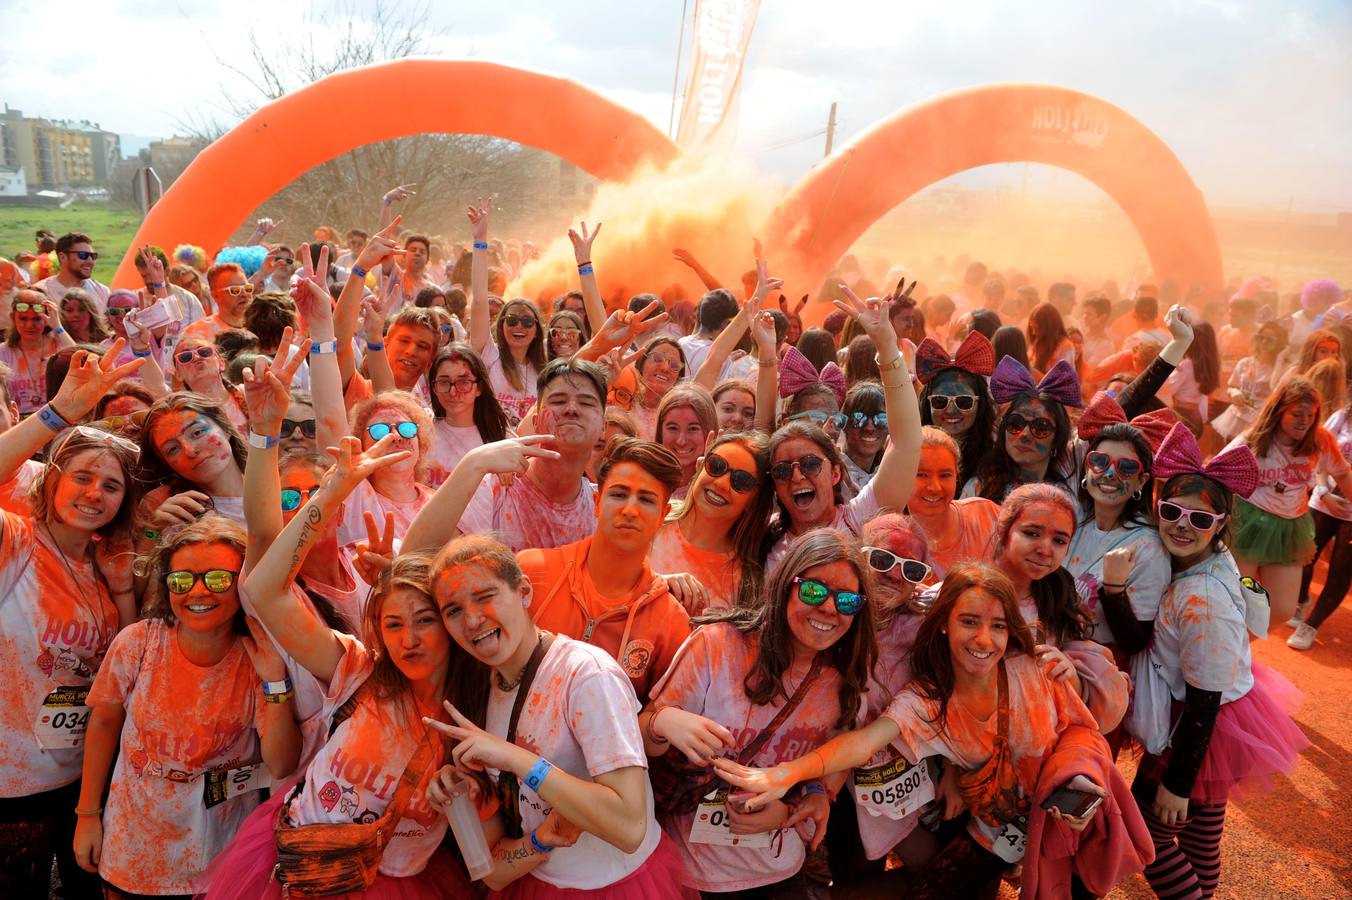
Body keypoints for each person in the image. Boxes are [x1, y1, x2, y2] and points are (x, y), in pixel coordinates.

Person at [713, 561, 1145, 900]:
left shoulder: (1034, 667)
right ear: (943, 623)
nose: (984, 639)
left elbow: (1083, 732)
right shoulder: (927, 702)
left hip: (1073, 816)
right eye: (969, 621)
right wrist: (786, 774)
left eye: (997, 626)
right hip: (999, 829)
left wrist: (1077, 777)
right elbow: (862, 742)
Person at [206, 443, 475, 898]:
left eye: (425, 620)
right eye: (393, 624)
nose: (408, 638)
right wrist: (330, 491)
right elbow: (265, 583)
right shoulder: (359, 670)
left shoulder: (478, 707)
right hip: (305, 857)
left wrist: (475, 464)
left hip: (397, 879)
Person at [422, 534, 688, 897]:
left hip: (620, 887)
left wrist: (515, 759)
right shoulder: (476, 690)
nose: (471, 620)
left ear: (524, 592)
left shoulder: (587, 675)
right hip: (539, 883)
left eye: (485, 597)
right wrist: (467, 789)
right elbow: (492, 874)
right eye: (453, 610)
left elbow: (629, 828)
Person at [74, 517, 301, 898]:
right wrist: (86, 816)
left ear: (244, 585)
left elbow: (281, 763)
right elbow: (103, 724)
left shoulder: (257, 658)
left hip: (217, 858)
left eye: (217, 579)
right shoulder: (137, 643)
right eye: (181, 580)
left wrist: (274, 680)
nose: (197, 592)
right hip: (133, 850)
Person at [642, 530, 877, 897]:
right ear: (786, 585)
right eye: (814, 591)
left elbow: (834, 759)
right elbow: (640, 744)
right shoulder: (716, 645)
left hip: (777, 866)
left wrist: (807, 799)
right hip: (686, 869)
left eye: (847, 601)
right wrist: (662, 722)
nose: (830, 608)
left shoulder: (843, 682)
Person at [1133, 423, 1308, 899]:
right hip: (1224, 712)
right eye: (1171, 511)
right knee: (1200, 837)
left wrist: (1177, 782)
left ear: (1221, 524)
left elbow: (1205, 698)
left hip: (1200, 727)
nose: (1183, 525)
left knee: (1141, 832)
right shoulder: (1211, 559)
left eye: (1200, 519)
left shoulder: (1202, 600)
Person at [0, 343, 143, 898]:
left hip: (78, 781)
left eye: (111, 486)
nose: (94, 493)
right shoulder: (16, 543)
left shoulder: (105, 572)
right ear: (51, 480)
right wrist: (56, 414)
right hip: (10, 788)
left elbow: (119, 667)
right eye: (82, 477)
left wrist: (125, 588)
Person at [409, 435, 693, 699]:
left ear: (663, 515)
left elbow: (653, 721)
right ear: (596, 502)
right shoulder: (533, 571)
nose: (630, 510)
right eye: (618, 494)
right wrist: (474, 463)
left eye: (646, 499)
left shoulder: (670, 619)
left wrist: (655, 723)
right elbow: (419, 565)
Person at [764, 286, 922, 573]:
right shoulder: (765, 536)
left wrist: (887, 347)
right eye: (783, 470)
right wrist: (765, 358)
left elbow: (907, 443)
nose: (797, 475)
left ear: (835, 472)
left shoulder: (860, 518)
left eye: (811, 464)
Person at [1065, 395, 1171, 728]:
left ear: (1142, 481)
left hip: (1099, 683)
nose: (1109, 474)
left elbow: (1136, 640)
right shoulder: (1073, 520)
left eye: (1126, 467)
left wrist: (1113, 591)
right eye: (1100, 461)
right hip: (1053, 665)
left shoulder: (1149, 547)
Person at [1229, 378, 1352, 626]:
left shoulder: (1321, 440)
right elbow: (1216, 472)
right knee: (1235, 599)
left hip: (1289, 529)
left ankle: (1235, 649)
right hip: (1247, 524)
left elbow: (1343, 473)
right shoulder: (1254, 438)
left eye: (1311, 414)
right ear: (1279, 411)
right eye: (1297, 413)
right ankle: (1223, 652)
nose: (1304, 420)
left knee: (1281, 610)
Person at [650, 431, 774, 613]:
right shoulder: (652, 516)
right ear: (701, 467)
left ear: (754, 501)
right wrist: (656, 583)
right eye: (716, 466)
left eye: (741, 481)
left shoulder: (750, 580)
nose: (721, 484)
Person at [964, 358, 1081, 502]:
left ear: (1057, 440)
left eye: (1041, 427)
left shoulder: (1067, 496)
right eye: (1015, 423)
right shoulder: (979, 489)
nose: (1024, 434)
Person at [1290, 388, 1352, 649]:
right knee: (1304, 557)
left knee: (1341, 570)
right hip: (1323, 499)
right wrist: (1324, 492)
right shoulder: (1341, 418)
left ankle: (1311, 625)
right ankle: (1301, 599)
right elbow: (1318, 455)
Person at [138, 390, 250, 527]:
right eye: (173, 449)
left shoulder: (276, 482)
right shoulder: (159, 503)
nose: (190, 450)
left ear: (225, 428)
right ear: (166, 463)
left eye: (197, 432)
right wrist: (153, 532)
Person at [906, 427, 1000, 578]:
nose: (934, 487)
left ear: (957, 475)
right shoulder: (894, 541)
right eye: (921, 475)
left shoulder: (987, 515)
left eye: (945, 475)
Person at [915, 332, 997, 486]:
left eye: (964, 402)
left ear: (980, 405)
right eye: (940, 401)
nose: (951, 410)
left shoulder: (995, 461)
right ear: (927, 404)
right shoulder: (911, 453)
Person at [425, 343, 513, 486]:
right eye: (444, 382)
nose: (453, 392)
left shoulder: (502, 438)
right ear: (434, 387)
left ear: (479, 388)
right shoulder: (423, 433)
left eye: (463, 382)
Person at [0, 289, 75, 414]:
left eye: (36, 319)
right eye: (23, 319)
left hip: (57, 418)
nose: (30, 325)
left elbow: (82, 359)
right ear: (13, 318)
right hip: (18, 421)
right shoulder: (3, 353)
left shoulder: (59, 346)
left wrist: (57, 326)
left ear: (46, 320)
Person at [1212, 320, 1286, 442]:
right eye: (1261, 337)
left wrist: (1280, 360)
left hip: (1258, 423)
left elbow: (1277, 392)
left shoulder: (1279, 369)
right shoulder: (1244, 363)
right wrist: (1234, 392)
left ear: (1279, 344)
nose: (1264, 342)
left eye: (1270, 340)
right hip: (1235, 418)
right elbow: (1231, 386)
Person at [168, 336, 249, 432]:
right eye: (186, 357)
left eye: (204, 352)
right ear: (178, 375)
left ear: (221, 363)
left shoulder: (248, 393)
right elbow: (157, 387)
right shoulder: (182, 415)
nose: (197, 358)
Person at [656, 384, 716, 501]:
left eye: (693, 429)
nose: (681, 441)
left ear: (710, 430)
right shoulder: (646, 478)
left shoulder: (717, 487)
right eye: (673, 428)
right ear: (660, 430)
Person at [33, 231, 110, 311]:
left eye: (93, 256)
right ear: (63, 257)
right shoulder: (41, 292)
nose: (90, 261)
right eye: (83, 255)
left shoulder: (102, 292)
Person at [182, 263, 254, 345]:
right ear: (216, 295)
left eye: (247, 288)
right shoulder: (197, 334)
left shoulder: (263, 325)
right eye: (235, 290)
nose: (244, 294)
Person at [839, 381, 887, 493]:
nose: (869, 428)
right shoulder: (834, 475)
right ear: (844, 424)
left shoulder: (892, 472)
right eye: (859, 418)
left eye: (881, 417)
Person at [1026, 302, 1076, 380]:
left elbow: (1061, 383)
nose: (1033, 333)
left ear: (1049, 327)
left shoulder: (1066, 347)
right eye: (1032, 328)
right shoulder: (1037, 343)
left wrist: (1033, 372)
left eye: (1037, 329)